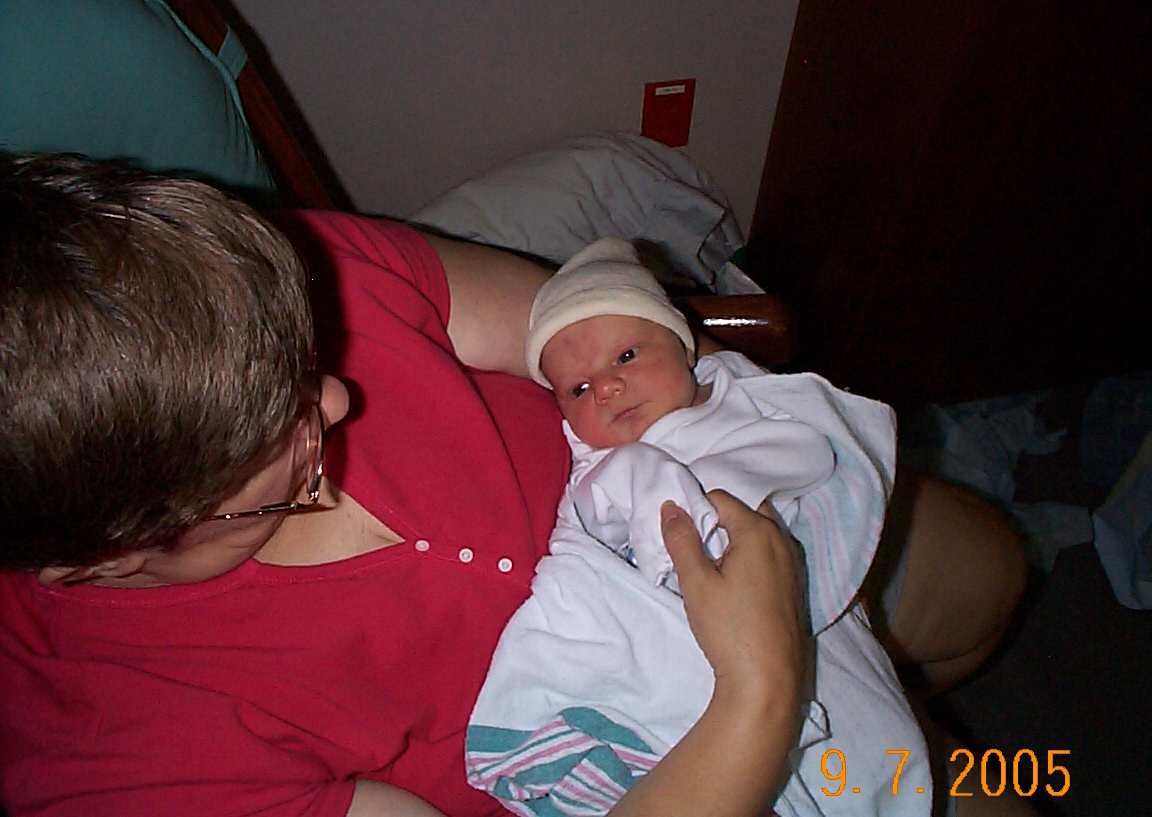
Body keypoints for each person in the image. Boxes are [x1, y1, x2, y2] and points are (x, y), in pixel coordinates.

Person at [0, 153, 1030, 817]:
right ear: (102, 560)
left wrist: (715, 430)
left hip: (663, 483)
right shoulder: (122, 768)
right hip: (657, 764)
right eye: (272, 447)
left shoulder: (223, 285)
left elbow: (581, 329)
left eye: (299, 359)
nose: (338, 397)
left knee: (991, 573)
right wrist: (760, 697)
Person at [466, 238, 932, 816]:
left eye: (626, 356)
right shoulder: (599, 467)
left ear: (685, 347)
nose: (606, 387)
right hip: (678, 631)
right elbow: (602, 518)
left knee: (869, 727)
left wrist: (730, 492)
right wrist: (652, 496)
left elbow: (808, 454)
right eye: (578, 390)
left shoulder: (740, 398)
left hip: (795, 603)